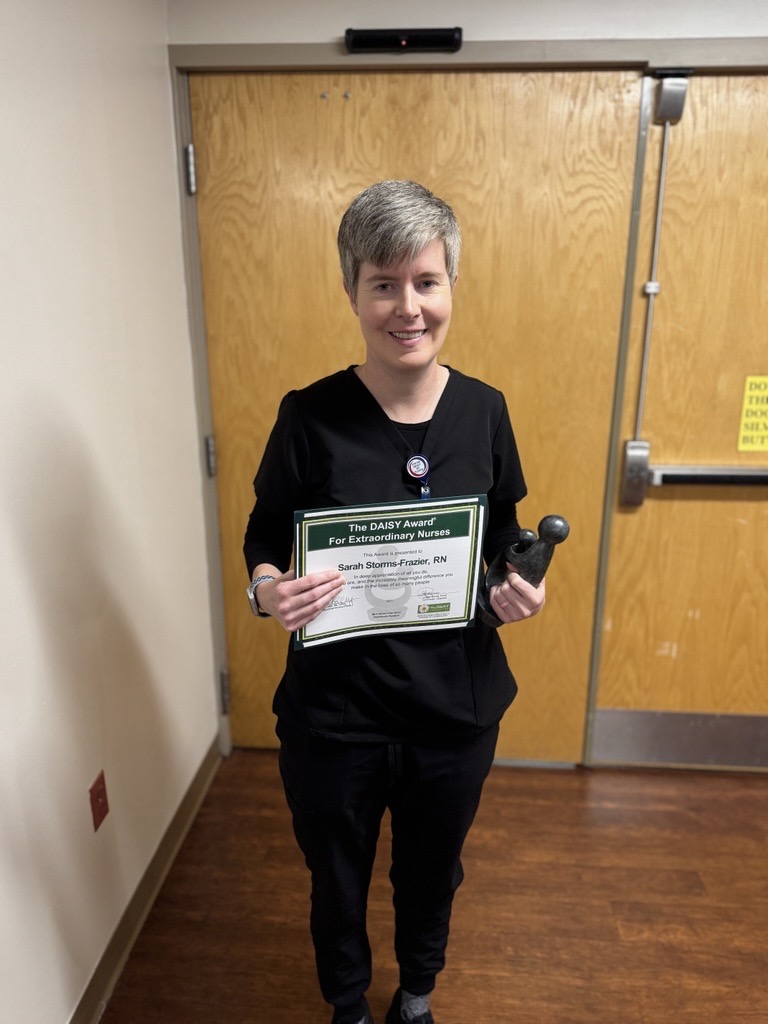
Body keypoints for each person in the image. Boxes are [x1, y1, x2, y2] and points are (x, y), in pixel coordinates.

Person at [243, 180, 546, 1024]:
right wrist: (269, 589)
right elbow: (263, 534)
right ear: (352, 292)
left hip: (453, 712)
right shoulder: (309, 416)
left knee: (431, 869)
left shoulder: (485, 412)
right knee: (335, 874)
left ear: (450, 287)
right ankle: (347, 1004)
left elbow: (501, 539)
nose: (407, 307)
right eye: (383, 284)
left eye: (425, 281)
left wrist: (516, 587)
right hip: (336, 718)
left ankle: (416, 995)